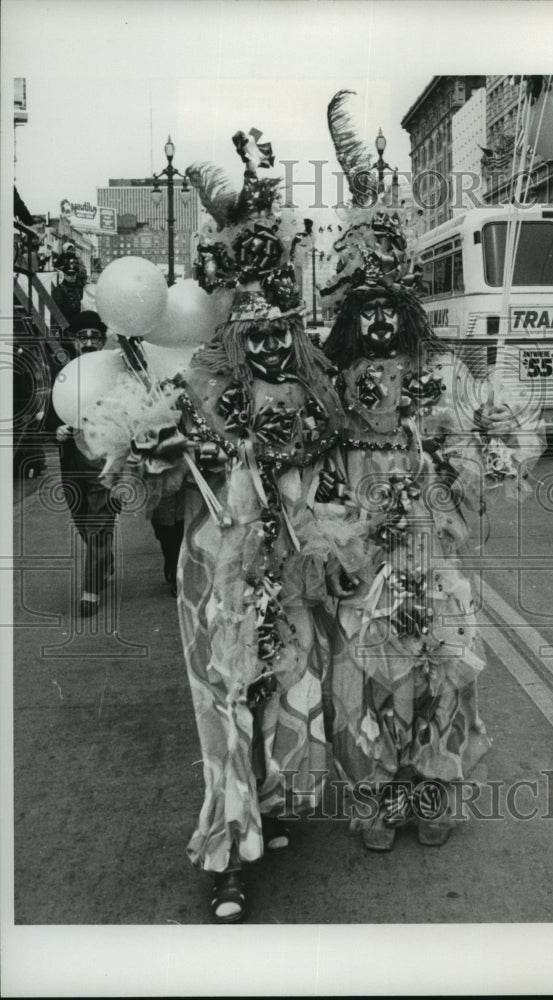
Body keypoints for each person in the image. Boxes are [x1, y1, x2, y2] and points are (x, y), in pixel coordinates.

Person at [82, 143, 363, 923]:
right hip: (215, 575)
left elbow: (332, 488)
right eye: (254, 328)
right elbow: (150, 484)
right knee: (223, 704)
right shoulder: (193, 391)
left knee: (283, 693)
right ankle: (225, 851)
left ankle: (266, 809)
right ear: (232, 331)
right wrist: (157, 449)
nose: (269, 341)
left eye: (282, 328)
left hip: (289, 571)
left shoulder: (313, 403)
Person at [319, 206, 545, 851]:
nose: (381, 322)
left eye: (391, 307)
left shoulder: (438, 377)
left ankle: (433, 791)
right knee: (370, 678)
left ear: (409, 313)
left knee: (435, 673)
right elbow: (316, 476)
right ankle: (381, 799)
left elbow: (463, 455)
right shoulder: (331, 387)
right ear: (350, 319)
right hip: (364, 554)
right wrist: (349, 528)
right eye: (368, 310)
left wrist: (487, 447)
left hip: (426, 551)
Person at [55, 311, 119, 617]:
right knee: (82, 522)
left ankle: (91, 590)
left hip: (104, 462)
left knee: (98, 527)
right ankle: (103, 560)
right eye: (84, 337)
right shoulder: (64, 372)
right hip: (71, 464)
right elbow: (48, 412)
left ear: (102, 339)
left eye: (95, 336)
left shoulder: (112, 370)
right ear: (74, 341)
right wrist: (56, 430)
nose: (90, 342)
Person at [51, 256, 84, 330]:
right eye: (69, 274)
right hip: (64, 325)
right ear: (65, 275)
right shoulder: (59, 290)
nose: (72, 276)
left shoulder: (78, 288)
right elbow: (57, 312)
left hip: (77, 324)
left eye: (74, 274)